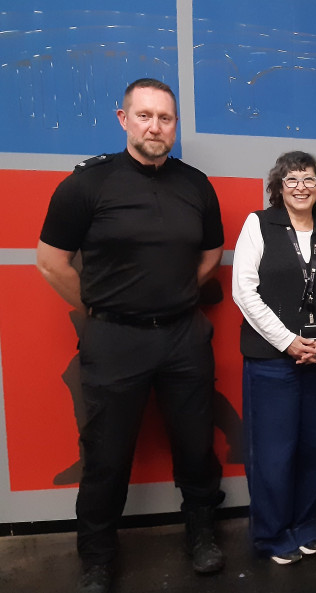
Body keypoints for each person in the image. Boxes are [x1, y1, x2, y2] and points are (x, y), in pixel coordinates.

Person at [36, 78, 226, 593]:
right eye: (144, 116)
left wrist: (180, 292)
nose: (155, 126)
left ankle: (202, 535)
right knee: (106, 456)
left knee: (195, 447)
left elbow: (211, 253)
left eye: (165, 118)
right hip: (114, 340)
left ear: (175, 125)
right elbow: (50, 262)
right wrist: (101, 308)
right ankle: (97, 558)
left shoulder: (195, 185)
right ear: (124, 120)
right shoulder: (87, 185)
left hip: (184, 337)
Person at [232, 151, 316, 565]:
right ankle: (272, 536)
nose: (301, 186)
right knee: (272, 452)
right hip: (272, 362)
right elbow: (244, 291)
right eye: (292, 179)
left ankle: (307, 527)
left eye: (309, 179)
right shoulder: (259, 225)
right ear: (278, 187)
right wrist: (287, 342)